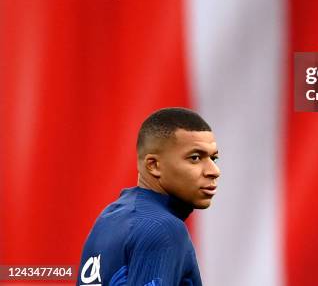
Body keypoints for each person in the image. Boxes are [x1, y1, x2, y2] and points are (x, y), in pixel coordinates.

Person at [77, 107, 220, 286]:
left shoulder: (110, 217)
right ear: (153, 165)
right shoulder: (162, 228)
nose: (214, 171)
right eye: (195, 158)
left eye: (213, 159)